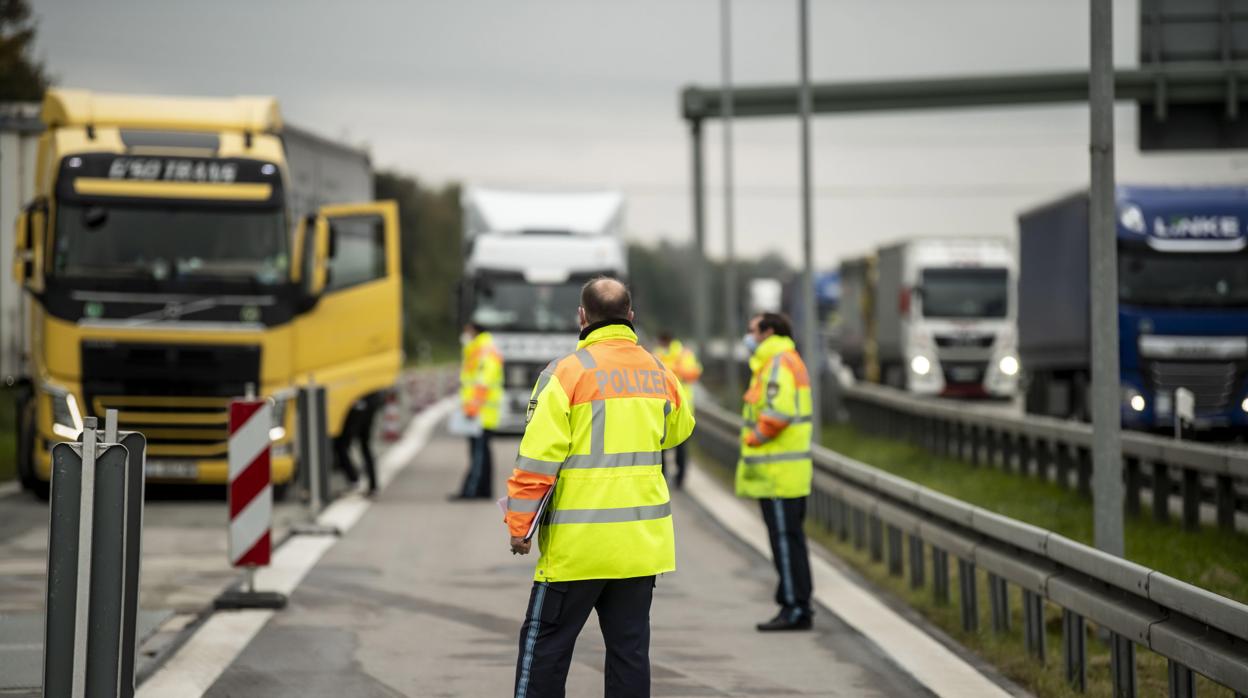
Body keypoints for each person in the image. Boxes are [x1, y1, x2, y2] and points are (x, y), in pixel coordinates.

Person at [503, 277, 695, 698]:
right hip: (640, 548)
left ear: (582, 317)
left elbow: (537, 461)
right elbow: (678, 431)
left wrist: (520, 526)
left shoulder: (565, 374)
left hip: (579, 547)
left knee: (546, 649)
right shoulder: (660, 371)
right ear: (630, 317)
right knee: (629, 655)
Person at [737, 312, 815, 632]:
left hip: (779, 472)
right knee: (790, 541)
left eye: (752, 330)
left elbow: (778, 412)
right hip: (785, 471)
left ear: (768, 331)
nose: (748, 336)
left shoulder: (778, 363)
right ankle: (797, 603)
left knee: (785, 542)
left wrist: (753, 438)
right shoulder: (784, 360)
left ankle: (795, 607)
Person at [454, 321, 503, 500]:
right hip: (482, 412)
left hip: (480, 413)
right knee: (482, 453)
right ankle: (483, 491)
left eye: (467, 330)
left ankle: (471, 491)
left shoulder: (483, 350)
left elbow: (483, 382)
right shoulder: (480, 348)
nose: (465, 334)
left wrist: (472, 408)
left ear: (474, 330)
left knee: (478, 455)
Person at [654, 330, 702, 489]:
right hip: (663, 405)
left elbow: (694, 373)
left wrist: (673, 370)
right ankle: (664, 476)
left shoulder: (683, 354)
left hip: (682, 405)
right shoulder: (657, 354)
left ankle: (679, 478)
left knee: (680, 445)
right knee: (661, 445)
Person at [333, 391, 384, 495]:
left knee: (341, 445)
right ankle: (372, 485)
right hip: (369, 401)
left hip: (356, 405)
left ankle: (354, 480)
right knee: (364, 445)